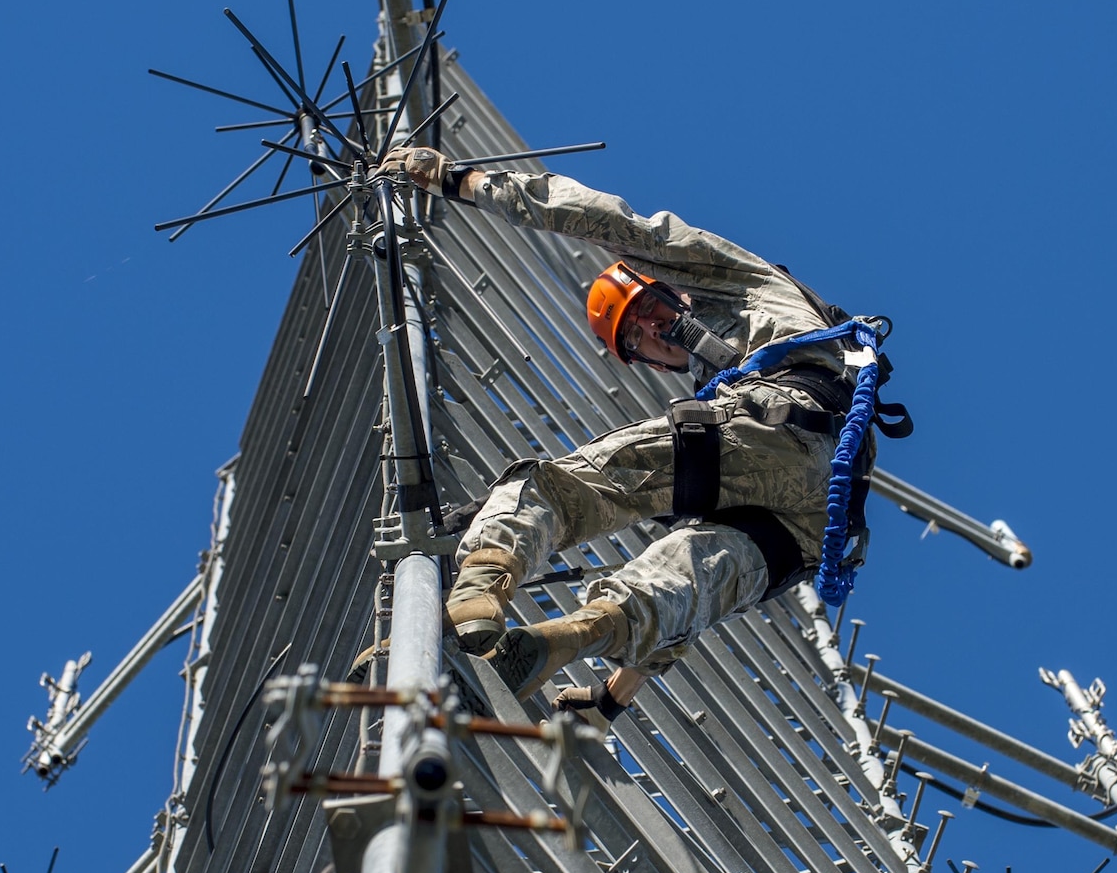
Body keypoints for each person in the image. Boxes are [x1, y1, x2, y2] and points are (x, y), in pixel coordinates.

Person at [377, 144, 904, 720]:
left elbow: (609, 220)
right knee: (680, 581)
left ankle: (478, 589)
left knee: (553, 489)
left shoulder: (736, 285)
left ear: (673, 287)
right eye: (639, 337)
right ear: (650, 364)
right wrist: (609, 700)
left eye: (649, 306)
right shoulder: (724, 394)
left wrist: (459, 180)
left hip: (782, 423)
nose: (655, 328)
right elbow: (695, 591)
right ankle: (560, 644)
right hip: (813, 520)